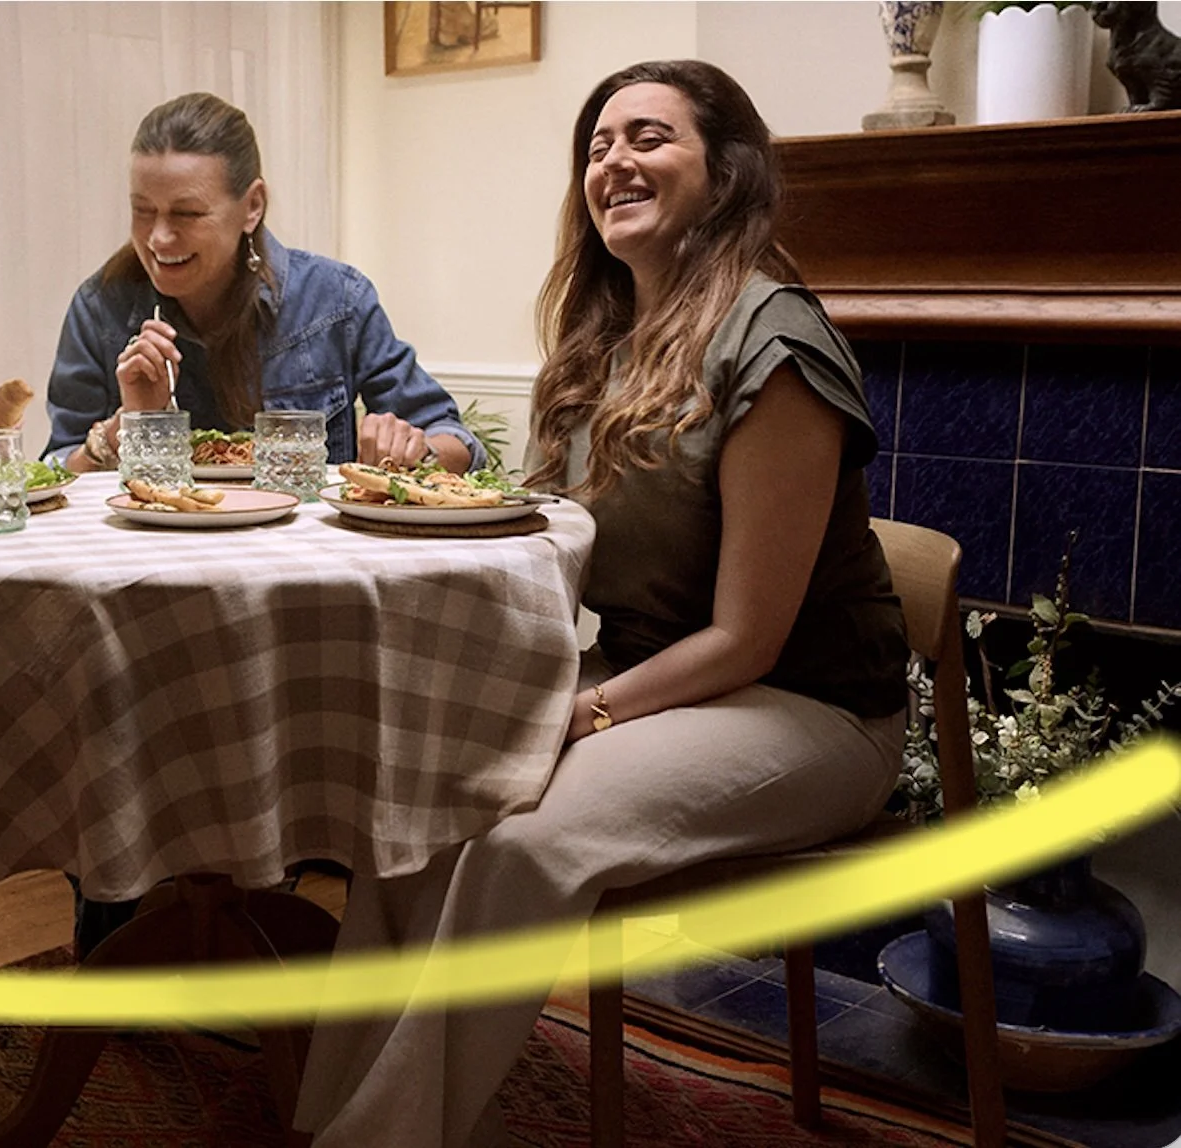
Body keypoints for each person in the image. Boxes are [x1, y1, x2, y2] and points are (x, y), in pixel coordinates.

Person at [291, 60, 911, 1148]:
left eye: (648, 137)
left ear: (724, 173)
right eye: (597, 145)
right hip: (659, 682)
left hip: (807, 706)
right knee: (420, 805)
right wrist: (425, 479)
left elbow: (747, 636)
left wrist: (588, 710)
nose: (614, 161)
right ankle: (341, 1116)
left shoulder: (775, 346)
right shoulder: (608, 346)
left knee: (522, 846)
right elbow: (546, 529)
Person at [43, 90, 483, 477]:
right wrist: (120, 433)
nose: (158, 237)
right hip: (154, 547)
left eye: (187, 213)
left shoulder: (337, 299)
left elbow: (455, 440)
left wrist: (416, 450)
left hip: (308, 546)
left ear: (252, 206)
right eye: (143, 210)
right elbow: (56, 470)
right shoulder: (99, 308)